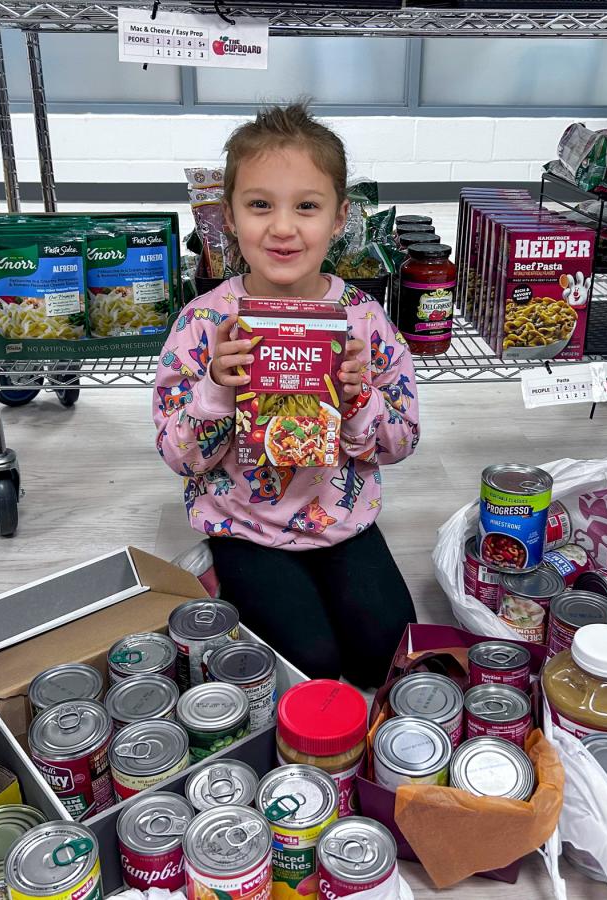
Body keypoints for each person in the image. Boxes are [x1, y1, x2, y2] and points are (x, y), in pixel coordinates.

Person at [152, 103, 419, 688]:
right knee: (312, 667)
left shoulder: (363, 320)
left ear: (339, 217)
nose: (282, 227)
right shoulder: (204, 323)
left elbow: (402, 442)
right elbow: (177, 455)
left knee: (388, 657)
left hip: (341, 518)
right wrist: (216, 390)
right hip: (244, 523)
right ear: (228, 218)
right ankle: (221, 573)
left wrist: (360, 402)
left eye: (306, 205)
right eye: (259, 205)